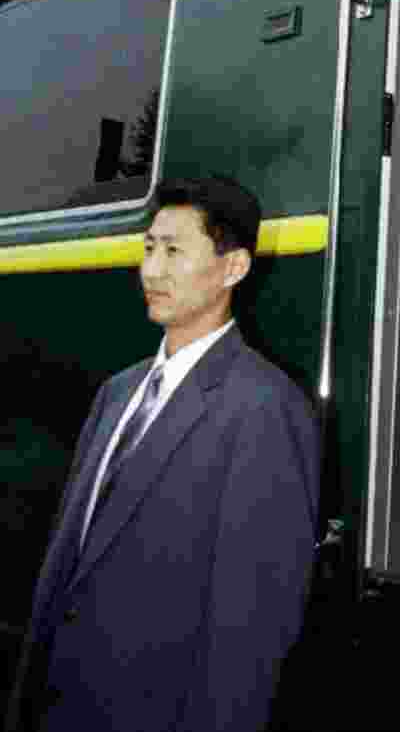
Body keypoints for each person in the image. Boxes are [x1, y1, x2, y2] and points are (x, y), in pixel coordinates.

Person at [5, 177, 319, 732]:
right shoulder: (117, 393)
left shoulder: (266, 409)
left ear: (234, 267)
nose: (151, 270)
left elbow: (250, 632)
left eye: (174, 251)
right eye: (148, 248)